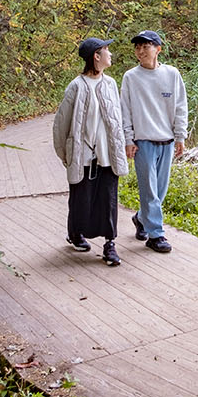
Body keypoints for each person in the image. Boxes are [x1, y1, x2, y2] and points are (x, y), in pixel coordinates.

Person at [52, 37, 128, 266]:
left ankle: (109, 244)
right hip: (83, 155)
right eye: (107, 50)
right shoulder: (76, 86)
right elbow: (61, 124)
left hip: (107, 155)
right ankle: (76, 233)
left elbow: (117, 120)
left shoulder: (110, 84)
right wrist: (65, 155)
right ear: (96, 56)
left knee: (108, 199)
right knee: (80, 198)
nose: (110, 54)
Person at [120, 29, 188, 253]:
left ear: (158, 49)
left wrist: (180, 136)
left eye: (145, 46)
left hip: (166, 140)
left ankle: (141, 218)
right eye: (137, 47)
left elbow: (180, 106)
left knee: (160, 190)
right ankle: (156, 234)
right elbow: (125, 110)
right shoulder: (131, 77)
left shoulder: (171, 74)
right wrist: (128, 139)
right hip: (143, 141)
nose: (140, 51)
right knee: (149, 190)